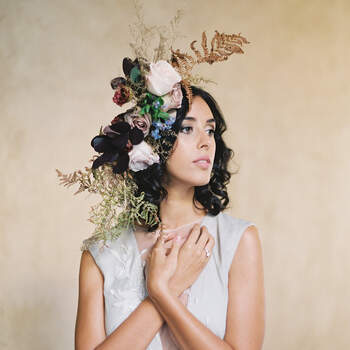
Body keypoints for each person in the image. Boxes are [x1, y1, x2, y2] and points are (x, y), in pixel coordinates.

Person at [74, 84, 265, 349]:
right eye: (187, 128)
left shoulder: (237, 241)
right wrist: (170, 287)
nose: (206, 141)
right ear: (150, 140)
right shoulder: (101, 253)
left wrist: (162, 292)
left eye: (210, 130)